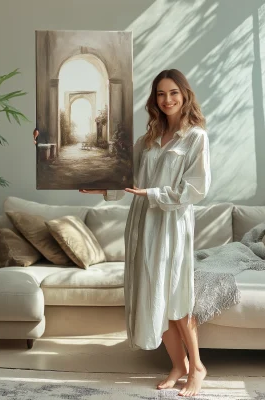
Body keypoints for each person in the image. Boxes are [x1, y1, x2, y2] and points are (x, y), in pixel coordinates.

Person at [40, 69, 210, 397]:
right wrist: (96, 187)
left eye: (173, 92)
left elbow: (196, 189)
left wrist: (152, 194)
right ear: (154, 100)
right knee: (152, 294)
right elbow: (122, 179)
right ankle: (178, 365)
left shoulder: (195, 137)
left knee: (176, 296)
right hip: (142, 223)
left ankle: (197, 367)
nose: (168, 99)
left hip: (171, 224)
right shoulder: (146, 140)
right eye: (161, 94)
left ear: (184, 94)